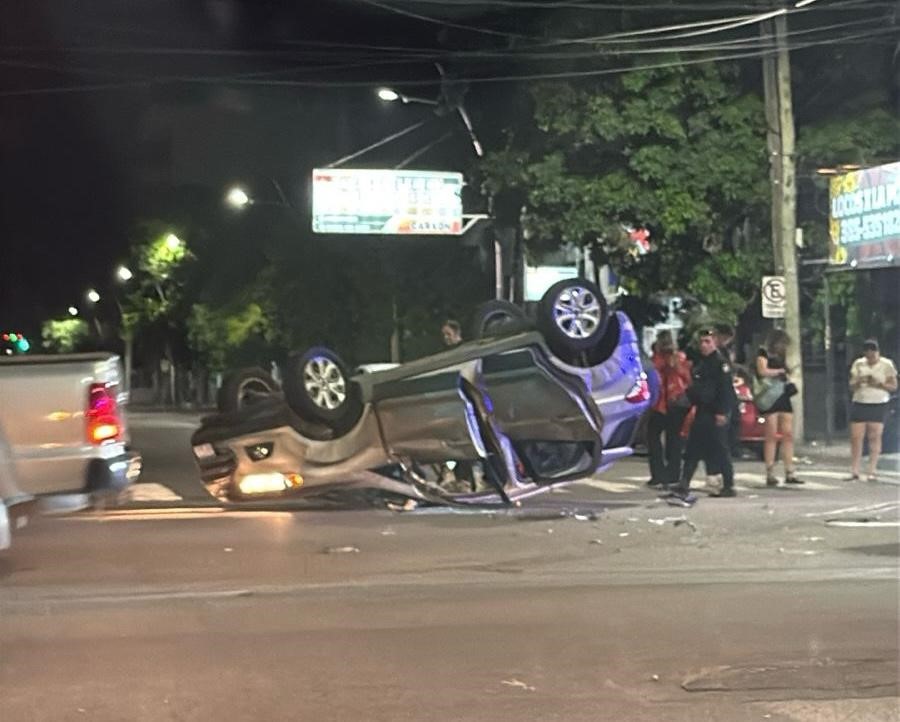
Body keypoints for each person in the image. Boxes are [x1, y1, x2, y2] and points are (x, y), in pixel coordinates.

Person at [667, 328, 735, 504]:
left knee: (720, 449)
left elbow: (726, 390)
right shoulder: (702, 363)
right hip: (702, 410)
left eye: (708, 342)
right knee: (693, 449)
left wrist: (722, 412)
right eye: (702, 342)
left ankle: (729, 485)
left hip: (714, 412)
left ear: (715, 343)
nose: (704, 345)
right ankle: (683, 484)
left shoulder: (720, 364)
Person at [646, 330, 692, 488]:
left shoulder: (679, 358)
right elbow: (647, 367)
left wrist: (674, 362)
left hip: (673, 403)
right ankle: (661, 475)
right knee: (655, 438)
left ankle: (669, 475)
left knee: (673, 441)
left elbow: (686, 377)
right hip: (660, 404)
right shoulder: (656, 358)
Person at [756, 329, 801, 486]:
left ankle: (790, 469)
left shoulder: (783, 356)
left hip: (782, 394)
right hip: (770, 395)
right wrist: (778, 372)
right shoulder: (763, 352)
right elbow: (762, 371)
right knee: (771, 434)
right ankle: (770, 471)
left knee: (787, 434)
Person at [848, 339, 897, 481]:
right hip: (860, 400)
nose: (871, 359)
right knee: (856, 437)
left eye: (873, 356)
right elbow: (851, 385)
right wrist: (859, 381)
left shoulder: (886, 364)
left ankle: (872, 469)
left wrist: (879, 383)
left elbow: (893, 386)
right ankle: (855, 469)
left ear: (877, 353)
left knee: (874, 435)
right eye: (868, 356)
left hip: (878, 402)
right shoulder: (858, 364)